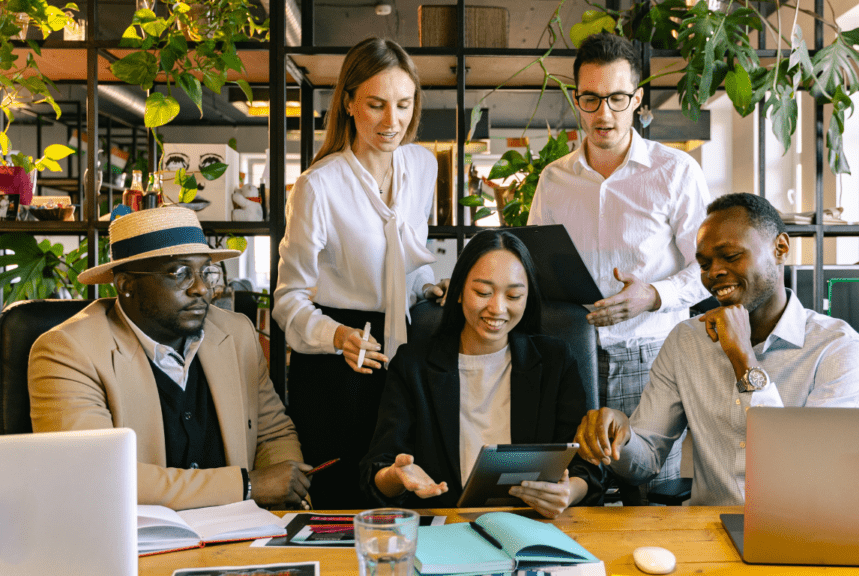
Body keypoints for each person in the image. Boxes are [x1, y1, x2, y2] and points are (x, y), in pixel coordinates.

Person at [574, 193, 859, 506]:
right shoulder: (686, 341)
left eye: (730, 256)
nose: (713, 272)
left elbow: (806, 470)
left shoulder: (839, 349)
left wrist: (743, 358)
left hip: (801, 533)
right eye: (704, 264)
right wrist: (621, 439)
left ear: (780, 248)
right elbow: (645, 463)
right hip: (709, 533)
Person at [28, 206, 311, 511]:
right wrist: (248, 487)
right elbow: (95, 475)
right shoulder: (68, 350)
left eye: (206, 272)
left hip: (243, 533)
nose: (202, 288)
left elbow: (272, 433)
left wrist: (286, 497)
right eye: (180, 273)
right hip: (141, 544)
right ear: (126, 285)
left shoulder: (236, 333)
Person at [527, 32, 711, 499]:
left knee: (651, 494)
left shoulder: (675, 171)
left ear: (637, 99)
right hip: (573, 356)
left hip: (653, 357)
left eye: (616, 98)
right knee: (571, 492)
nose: (603, 113)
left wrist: (651, 294)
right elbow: (528, 264)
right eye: (591, 99)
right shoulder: (555, 179)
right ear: (576, 99)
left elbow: (708, 269)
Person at [273, 37, 447, 509]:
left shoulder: (424, 165)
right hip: (336, 363)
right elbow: (287, 299)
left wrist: (428, 287)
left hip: (402, 356)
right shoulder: (319, 186)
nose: (393, 122)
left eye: (404, 105)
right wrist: (337, 336)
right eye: (376, 105)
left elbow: (404, 266)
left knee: (405, 487)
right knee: (341, 501)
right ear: (348, 102)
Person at [359, 230, 604, 518]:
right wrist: (397, 476)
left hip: (532, 524)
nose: (497, 308)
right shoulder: (413, 366)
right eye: (483, 292)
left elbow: (586, 463)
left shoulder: (555, 361)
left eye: (514, 295)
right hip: (446, 531)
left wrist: (568, 491)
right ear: (459, 290)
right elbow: (377, 472)